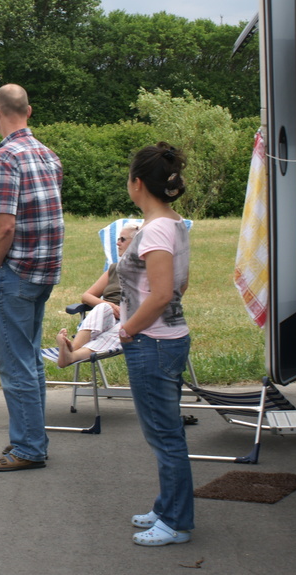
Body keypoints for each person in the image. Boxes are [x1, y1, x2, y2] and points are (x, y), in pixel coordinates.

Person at [0, 84, 64, 473]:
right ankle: (33, 440)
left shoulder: (5, 158)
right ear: (28, 111)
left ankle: (28, 447)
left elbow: (5, 226)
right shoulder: (48, 156)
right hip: (43, 272)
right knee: (30, 359)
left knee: (16, 365)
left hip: (12, 274)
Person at [117, 142, 193, 547]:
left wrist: (129, 328)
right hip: (167, 340)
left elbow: (162, 294)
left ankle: (176, 522)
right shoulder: (174, 224)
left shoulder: (157, 229)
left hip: (153, 343)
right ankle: (167, 507)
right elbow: (181, 285)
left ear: (138, 183)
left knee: (165, 437)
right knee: (165, 434)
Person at [55, 223, 139, 367]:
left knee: (122, 331)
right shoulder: (114, 269)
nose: (117, 243)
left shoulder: (148, 271)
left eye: (122, 239)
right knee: (102, 308)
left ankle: (71, 355)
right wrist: (108, 305)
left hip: (130, 320)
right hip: (103, 318)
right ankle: (72, 348)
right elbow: (86, 296)